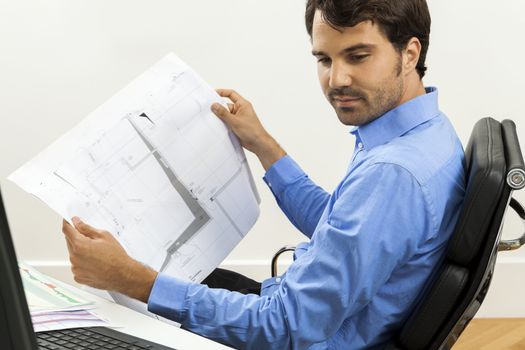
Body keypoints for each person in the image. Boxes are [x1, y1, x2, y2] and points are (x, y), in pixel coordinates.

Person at [62, 0, 466, 348]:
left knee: (119, 316)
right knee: (175, 284)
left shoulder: (392, 174)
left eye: (358, 56)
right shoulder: (426, 132)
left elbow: (287, 328)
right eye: (324, 59)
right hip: (305, 318)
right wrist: (263, 145)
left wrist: (136, 281)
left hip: (296, 334)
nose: (336, 80)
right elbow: (342, 226)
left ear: (409, 53)